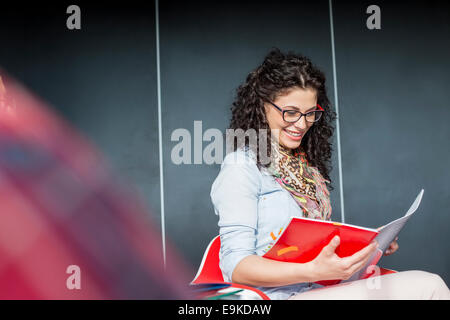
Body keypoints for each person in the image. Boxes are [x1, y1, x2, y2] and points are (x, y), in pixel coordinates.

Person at [210, 48, 450, 300]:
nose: (302, 124)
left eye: (310, 114)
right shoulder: (242, 166)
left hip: (315, 289)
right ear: (262, 107)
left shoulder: (305, 167)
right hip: (275, 298)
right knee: (429, 285)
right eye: (290, 112)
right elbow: (237, 268)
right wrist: (311, 271)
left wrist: (366, 244)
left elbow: (312, 253)